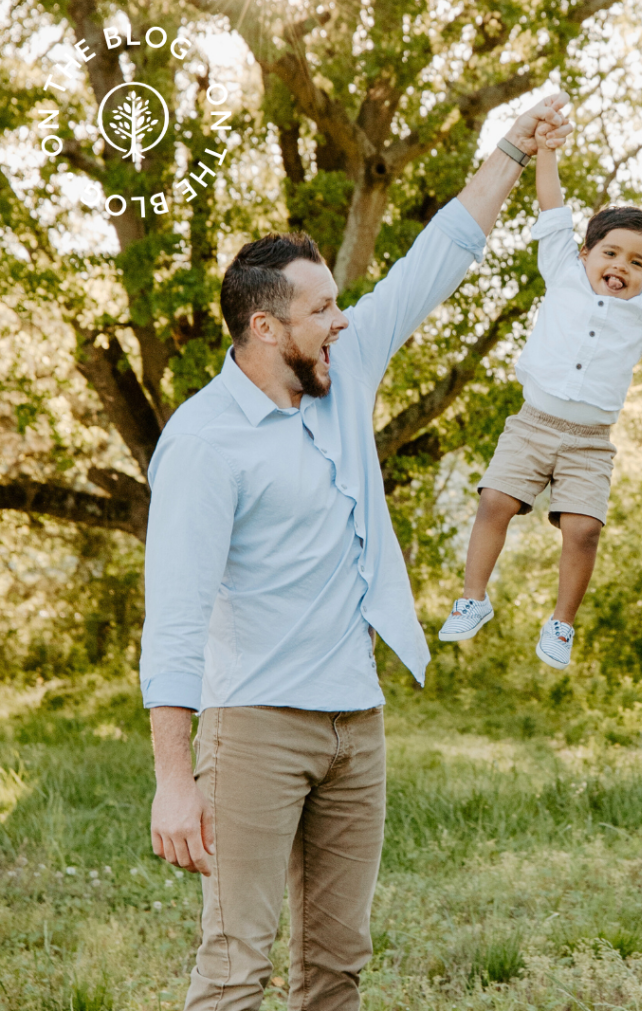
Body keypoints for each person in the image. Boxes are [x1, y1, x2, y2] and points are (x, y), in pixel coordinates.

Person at [139, 95, 571, 1011]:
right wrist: (175, 782)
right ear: (266, 329)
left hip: (355, 721)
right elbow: (173, 618)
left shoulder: (342, 370)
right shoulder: (206, 441)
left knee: (337, 969)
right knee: (234, 967)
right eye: (323, 306)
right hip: (254, 723)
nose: (343, 318)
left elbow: (435, 261)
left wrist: (512, 148)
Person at [438, 124, 642, 670]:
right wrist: (546, 152)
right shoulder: (560, 269)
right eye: (610, 253)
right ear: (585, 253)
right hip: (532, 422)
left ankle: (561, 624)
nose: (621, 267)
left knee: (583, 529)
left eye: (637, 263)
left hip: (589, 442)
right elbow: (552, 209)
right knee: (494, 501)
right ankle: (472, 598)